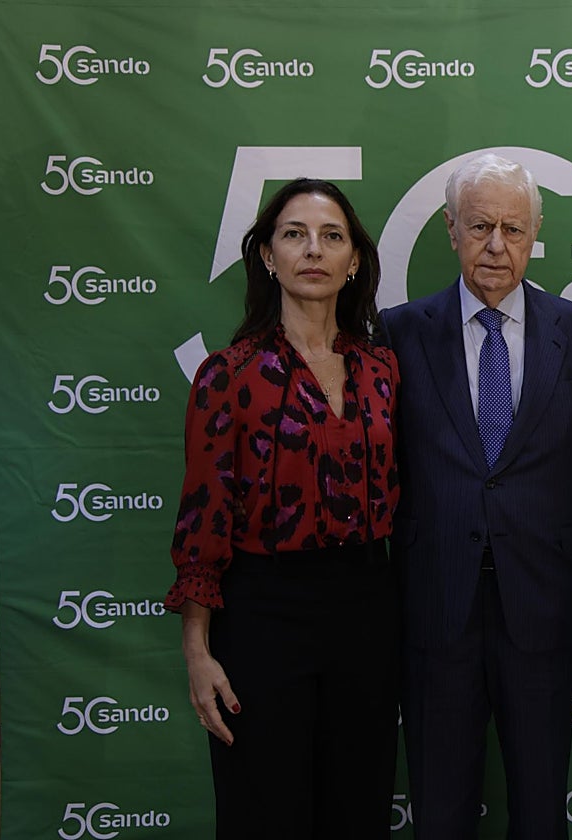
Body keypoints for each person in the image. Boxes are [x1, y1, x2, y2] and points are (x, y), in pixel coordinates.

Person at [382, 153, 572, 839]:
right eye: (480, 225)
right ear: (450, 228)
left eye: (513, 229)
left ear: (535, 234)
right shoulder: (397, 333)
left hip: (545, 604)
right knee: (439, 808)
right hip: (435, 603)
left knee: (541, 807)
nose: (496, 246)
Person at [164, 178, 400, 838]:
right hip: (262, 615)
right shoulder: (229, 373)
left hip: (367, 610)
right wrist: (197, 650)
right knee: (265, 812)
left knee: (359, 808)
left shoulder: (382, 369)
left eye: (331, 236)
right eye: (295, 234)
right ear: (268, 256)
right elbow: (203, 518)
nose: (313, 250)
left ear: (354, 260)